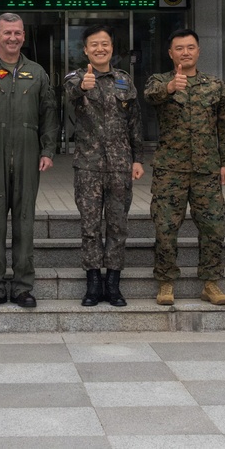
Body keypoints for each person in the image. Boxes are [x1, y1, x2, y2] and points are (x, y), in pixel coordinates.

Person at [0, 13, 59, 309]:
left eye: (17, 32)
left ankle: (22, 287)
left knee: (25, 221)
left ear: (23, 36)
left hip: (28, 151)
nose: (13, 38)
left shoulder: (37, 71)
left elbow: (49, 112)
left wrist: (48, 150)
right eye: (7, 33)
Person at [144, 29, 225, 306]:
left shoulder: (215, 86)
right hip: (170, 170)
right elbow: (150, 96)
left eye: (190, 47)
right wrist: (171, 87)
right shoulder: (160, 81)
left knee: (213, 227)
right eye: (179, 48)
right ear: (170, 53)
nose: (185, 52)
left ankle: (210, 282)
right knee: (165, 228)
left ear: (198, 50)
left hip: (206, 170)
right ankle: (166, 282)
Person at [63, 24, 145, 307]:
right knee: (90, 227)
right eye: (94, 44)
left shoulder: (124, 80)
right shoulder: (76, 77)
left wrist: (137, 158)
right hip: (88, 166)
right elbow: (69, 92)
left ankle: (113, 283)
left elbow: (134, 121)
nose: (100, 49)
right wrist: (82, 87)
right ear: (86, 50)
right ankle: (93, 283)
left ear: (112, 48)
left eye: (105, 43)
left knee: (117, 226)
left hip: (120, 166)